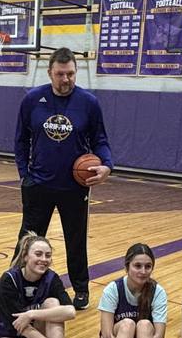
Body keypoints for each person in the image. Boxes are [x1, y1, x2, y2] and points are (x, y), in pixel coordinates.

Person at [13, 46, 113, 311]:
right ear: (50, 72)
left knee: (76, 239)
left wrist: (107, 166)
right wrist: (25, 175)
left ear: (75, 72)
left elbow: (100, 140)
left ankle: (80, 289)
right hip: (39, 185)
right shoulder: (33, 99)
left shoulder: (89, 103)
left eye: (70, 74)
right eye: (60, 74)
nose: (66, 79)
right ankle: (14, 284)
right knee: (28, 240)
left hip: (75, 186)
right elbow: (21, 140)